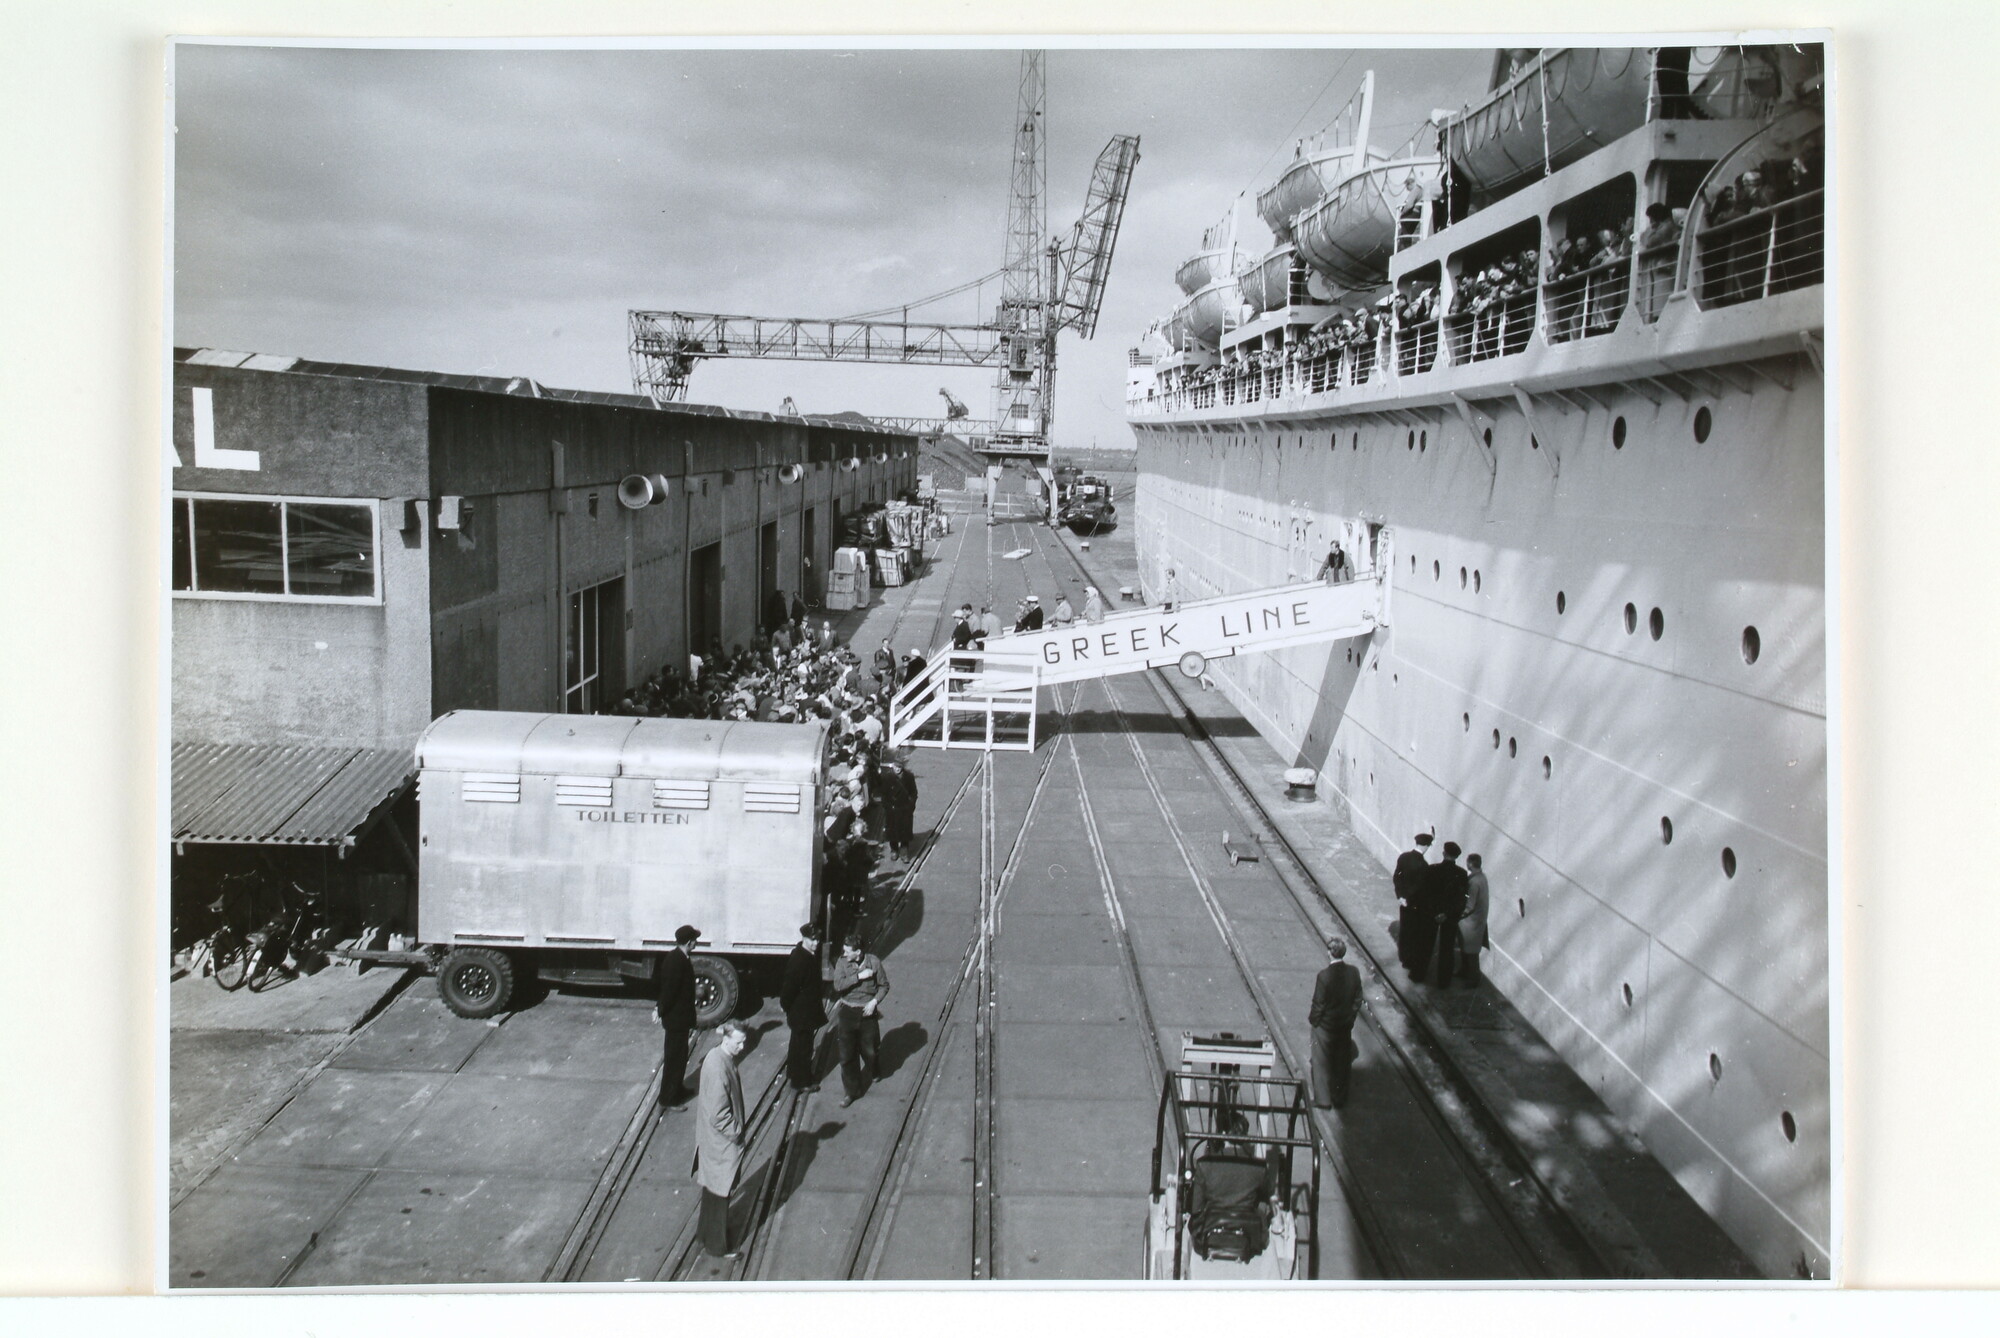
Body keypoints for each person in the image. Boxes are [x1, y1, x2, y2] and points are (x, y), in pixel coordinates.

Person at [694, 1020, 749, 1257]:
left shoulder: (714, 1057)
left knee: (712, 1191)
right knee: (720, 1194)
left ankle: (704, 1234)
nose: (743, 1047)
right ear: (726, 1039)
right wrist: (736, 1132)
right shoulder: (720, 1069)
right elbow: (719, 1115)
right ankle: (717, 1246)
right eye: (739, 1042)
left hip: (711, 1142)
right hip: (721, 1144)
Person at [1187, 1119, 1279, 1261]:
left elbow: (1195, 1208)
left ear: (1223, 1134)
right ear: (1245, 1137)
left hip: (1210, 1232)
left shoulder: (1205, 1165)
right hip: (1249, 1234)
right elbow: (1268, 1195)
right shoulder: (1258, 1168)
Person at [830, 935, 890, 1107]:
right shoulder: (842, 963)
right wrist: (859, 977)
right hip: (848, 1012)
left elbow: (884, 986)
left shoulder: (874, 962)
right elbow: (838, 985)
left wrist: (874, 1002)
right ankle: (852, 1091)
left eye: (848, 951)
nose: (844, 953)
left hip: (867, 1012)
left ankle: (874, 1068)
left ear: (858, 952)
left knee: (870, 1050)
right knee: (846, 1056)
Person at [1308, 938, 1364, 1109]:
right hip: (1344, 1025)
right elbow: (1358, 998)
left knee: (1320, 1061)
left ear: (1329, 952)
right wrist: (1351, 1017)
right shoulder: (1353, 972)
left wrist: (1314, 1021)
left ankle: (1323, 1100)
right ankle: (1339, 1098)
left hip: (1325, 1026)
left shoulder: (1324, 976)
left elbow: (1319, 1003)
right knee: (1341, 1063)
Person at [655, 924, 702, 1109]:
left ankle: (678, 1089)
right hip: (676, 1020)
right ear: (689, 942)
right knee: (674, 1059)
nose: (696, 943)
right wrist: (659, 1010)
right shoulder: (677, 961)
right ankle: (668, 1099)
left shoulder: (679, 957)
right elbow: (669, 990)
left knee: (680, 1057)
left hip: (680, 1019)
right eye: (695, 940)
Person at [779, 925, 826, 1091]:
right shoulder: (801, 959)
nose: (815, 943)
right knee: (804, 1048)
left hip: (804, 1011)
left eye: (817, 940)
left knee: (797, 1044)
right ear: (804, 939)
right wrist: (786, 1006)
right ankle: (802, 1082)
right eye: (812, 940)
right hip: (802, 1013)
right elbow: (789, 987)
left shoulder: (805, 954)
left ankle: (794, 1073)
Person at [1423, 842, 1472, 987]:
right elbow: (1461, 900)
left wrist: (1435, 912)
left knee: (1427, 944)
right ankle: (1443, 982)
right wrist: (1446, 913)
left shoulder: (1433, 870)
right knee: (1447, 948)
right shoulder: (1462, 874)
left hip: (1432, 914)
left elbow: (1427, 895)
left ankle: (1419, 974)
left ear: (1444, 853)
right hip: (1450, 917)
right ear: (1457, 856)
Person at [1393, 833, 1435, 981]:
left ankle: (1404, 958)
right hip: (1415, 905)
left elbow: (1397, 877)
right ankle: (1411, 960)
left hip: (1404, 902)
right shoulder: (1423, 866)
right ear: (1426, 846)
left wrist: (1400, 896)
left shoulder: (1403, 857)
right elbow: (1420, 888)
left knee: (1405, 929)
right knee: (1415, 933)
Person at [1459, 854, 1490, 986]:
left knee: (1470, 951)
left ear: (1470, 864)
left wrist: (1458, 915)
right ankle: (1465, 972)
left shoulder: (1474, 882)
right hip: (1478, 920)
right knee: (1469, 949)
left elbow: (1470, 905)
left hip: (1470, 922)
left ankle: (1472, 979)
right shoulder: (1482, 878)